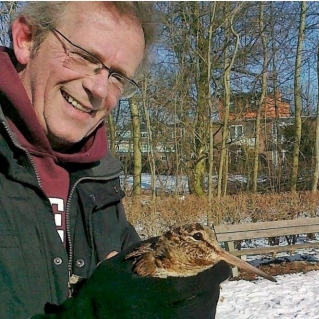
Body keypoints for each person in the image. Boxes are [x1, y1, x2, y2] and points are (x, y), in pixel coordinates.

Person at [0, 2, 230, 318]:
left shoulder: (99, 180)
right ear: (26, 39)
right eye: (84, 56)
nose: (98, 88)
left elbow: (131, 287)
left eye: (118, 76)